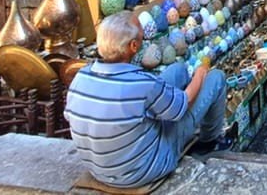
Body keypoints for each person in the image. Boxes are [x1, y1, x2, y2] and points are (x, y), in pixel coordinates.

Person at [65, 12, 229, 189]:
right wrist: (201, 73)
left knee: (178, 70)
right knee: (216, 78)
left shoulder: (81, 77)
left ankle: (167, 109)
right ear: (133, 46)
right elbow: (185, 102)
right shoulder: (141, 84)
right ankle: (209, 142)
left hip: (98, 170)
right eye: (141, 36)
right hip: (143, 170)